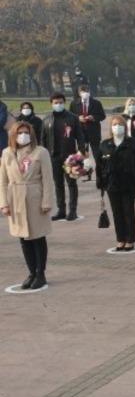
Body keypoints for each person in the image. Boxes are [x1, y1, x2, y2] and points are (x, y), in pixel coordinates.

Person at [0, 120, 53, 289]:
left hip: (34, 197)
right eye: (20, 133)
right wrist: (4, 203)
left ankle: (40, 273)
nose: (23, 136)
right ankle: (31, 271)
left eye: (26, 133)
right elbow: (2, 181)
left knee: (37, 237)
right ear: (13, 135)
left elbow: (47, 179)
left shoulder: (40, 152)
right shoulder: (7, 153)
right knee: (23, 238)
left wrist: (46, 201)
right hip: (15, 198)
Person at [96, 115, 135, 251]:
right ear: (111, 128)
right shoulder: (105, 144)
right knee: (117, 212)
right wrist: (100, 183)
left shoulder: (132, 143)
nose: (117, 127)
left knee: (128, 211)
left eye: (120, 125)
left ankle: (130, 239)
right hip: (112, 184)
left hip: (128, 183)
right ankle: (120, 238)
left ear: (125, 127)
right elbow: (100, 165)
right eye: (114, 125)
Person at [46, 92, 86, 221]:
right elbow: (43, 139)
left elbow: (80, 136)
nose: (58, 105)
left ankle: (72, 211)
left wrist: (81, 152)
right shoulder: (47, 119)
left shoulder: (72, 118)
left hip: (70, 157)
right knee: (58, 184)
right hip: (54, 156)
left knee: (71, 183)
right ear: (51, 104)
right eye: (56, 103)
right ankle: (61, 210)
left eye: (60, 102)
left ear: (64, 103)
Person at [70, 84, 106, 160]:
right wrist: (78, 118)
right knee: (82, 156)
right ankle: (83, 170)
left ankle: (99, 169)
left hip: (94, 133)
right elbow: (70, 116)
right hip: (81, 133)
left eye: (86, 91)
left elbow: (102, 116)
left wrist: (93, 117)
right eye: (82, 92)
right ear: (79, 93)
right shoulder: (74, 104)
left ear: (89, 92)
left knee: (97, 155)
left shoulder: (96, 103)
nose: (85, 93)